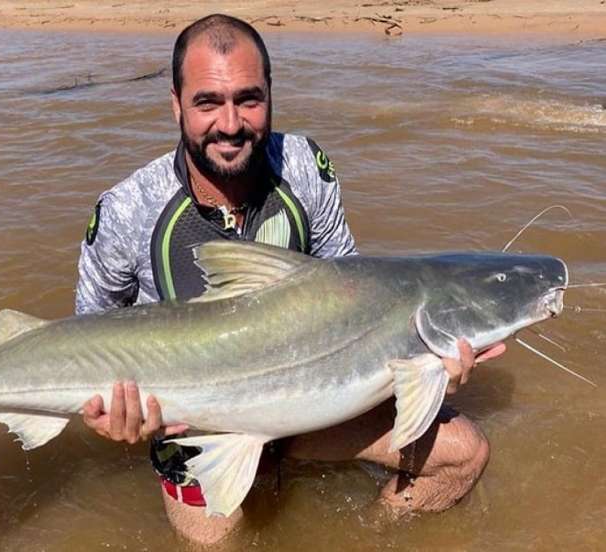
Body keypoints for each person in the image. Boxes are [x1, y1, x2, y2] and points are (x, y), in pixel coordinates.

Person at [75, 14, 505, 545]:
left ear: (271, 94)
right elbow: (88, 331)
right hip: (196, 422)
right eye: (208, 101)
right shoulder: (125, 211)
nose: (230, 123)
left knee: (463, 457)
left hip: (310, 402)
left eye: (248, 99)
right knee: (216, 542)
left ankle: (369, 535)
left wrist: (428, 364)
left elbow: (357, 292)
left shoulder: (306, 168)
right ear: (175, 102)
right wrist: (105, 414)